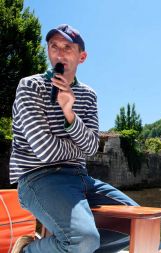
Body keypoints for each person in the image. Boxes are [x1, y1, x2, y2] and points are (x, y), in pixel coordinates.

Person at [10, 24, 138, 253]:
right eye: (53, 47)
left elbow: (90, 148)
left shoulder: (88, 95)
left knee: (138, 223)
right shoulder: (30, 87)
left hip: (80, 178)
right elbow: (46, 152)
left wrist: (70, 114)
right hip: (38, 178)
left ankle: (67, 247)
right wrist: (79, 146)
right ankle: (27, 250)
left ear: (82, 56)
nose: (59, 54)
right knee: (83, 240)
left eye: (67, 47)